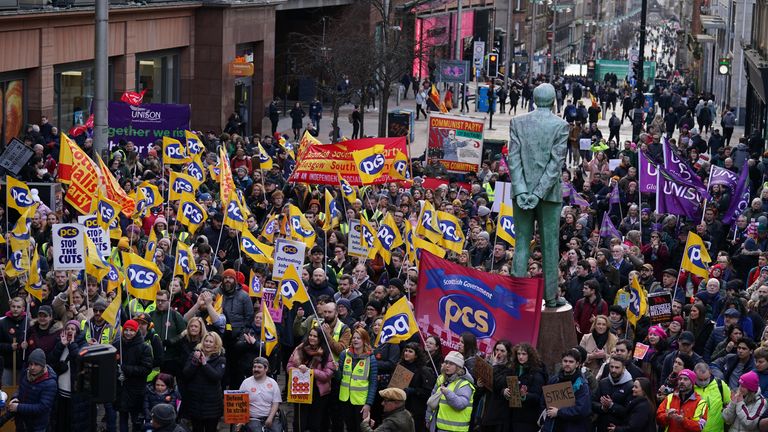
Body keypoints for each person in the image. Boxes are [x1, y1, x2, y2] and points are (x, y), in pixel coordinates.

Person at [508, 83, 569, 308]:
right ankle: (551, 297)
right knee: (549, 245)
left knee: (522, 242)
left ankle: (517, 297)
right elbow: (556, 163)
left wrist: (523, 190)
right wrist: (538, 193)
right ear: (554, 101)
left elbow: (513, 159)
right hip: (549, 195)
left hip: (521, 192)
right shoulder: (561, 125)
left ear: (533, 100)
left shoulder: (517, 123)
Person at [287, 326, 337, 432]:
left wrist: (310, 372)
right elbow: (288, 366)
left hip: (318, 392)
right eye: (310, 335)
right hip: (301, 390)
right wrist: (296, 370)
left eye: (315, 336)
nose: (312, 338)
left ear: (320, 339)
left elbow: (327, 375)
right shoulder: (299, 349)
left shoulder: (327, 353)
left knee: (315, 424)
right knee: (299, 423)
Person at [182, 332, 226, 432]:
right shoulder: (194, 355)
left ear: (216, 344)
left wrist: (205, 364)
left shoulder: (221, 359)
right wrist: (194, 361)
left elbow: (216, 376)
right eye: (206, 341)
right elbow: (186, 374)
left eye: (211, 342)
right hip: (195, 402)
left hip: (212, 405)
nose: (208, 343)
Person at [114, 319, 153, 432]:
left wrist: (125, 369)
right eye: (126, 330)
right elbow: (111, 365)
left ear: (136, 331)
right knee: (122, 418)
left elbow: (146, 369)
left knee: (136, 420)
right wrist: (117, 373)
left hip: (136, 390)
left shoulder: (144, 347)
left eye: (131, 330)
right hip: (121, 389)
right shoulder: (117, 345)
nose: (128, 333)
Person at [8, 348, 57, 432]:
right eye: (30, 364)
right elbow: (20, 389)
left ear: (43, 365)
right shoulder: (26, 373)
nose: (32, 367)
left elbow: (42, 407)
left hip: (37, 426)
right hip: (22, 423)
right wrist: (15, 397)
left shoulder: (50, 383)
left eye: (36, 364)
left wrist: (18, 407)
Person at [338, 328, 378, 432]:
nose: (355, 340)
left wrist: (368, 404)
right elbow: (339, 377)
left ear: (364, 340)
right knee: (349, 427)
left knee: (360, 429)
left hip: (361, 402)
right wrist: (335, 370)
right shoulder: (344, 354)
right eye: (354, 338)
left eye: (358, 338)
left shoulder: (371, 358)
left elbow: (373, 383)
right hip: (345, 399)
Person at [427, 351, 475, 432]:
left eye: (451, 364)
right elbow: (432, 400)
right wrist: (428, 418)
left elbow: (461, 405)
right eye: (446, 362)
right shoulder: (441, 378)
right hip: (436, 426)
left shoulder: (464, 384)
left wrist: (447, 393)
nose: (447, 366)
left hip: (454, 429)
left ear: (458, 367)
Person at [505, 343, 547, 432]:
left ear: (530, 355)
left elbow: (538, 397)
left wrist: (525, 395)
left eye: (524, 354)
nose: (520, 357)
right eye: (518, 354)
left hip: (528, 419)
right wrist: (505, 391)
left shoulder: (537, 373)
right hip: (512, 416)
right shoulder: (513, 369)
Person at [398, 342, 435, 432]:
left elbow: (428, 392)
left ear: (416, 355)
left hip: (415, 410)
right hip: (400, 407)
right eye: (406, 351)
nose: (406, 353)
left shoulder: (424, 370)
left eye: (410, 351)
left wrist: (413, 391)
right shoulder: (400, 366)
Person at [239, 357, 282, 432]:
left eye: (259, 367)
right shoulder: (246, 382)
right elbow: (240, 403)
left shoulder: (273, 383)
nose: (256, 369)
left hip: (270, 416)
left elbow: (276, 403)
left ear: (266, 369)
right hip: (252, 418)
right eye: (254, 367)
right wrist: (241, 420)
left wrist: (270, 418)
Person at [592, 355, 634, 431]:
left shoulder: (630, 386)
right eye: (611, 367)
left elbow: (629, 411)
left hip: (619, 427)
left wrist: (612, 405)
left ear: (624, 368)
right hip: (602, 426)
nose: (613, 370)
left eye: (617, 367)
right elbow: (593, 402)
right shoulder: (603, 382)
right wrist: (602, 408)